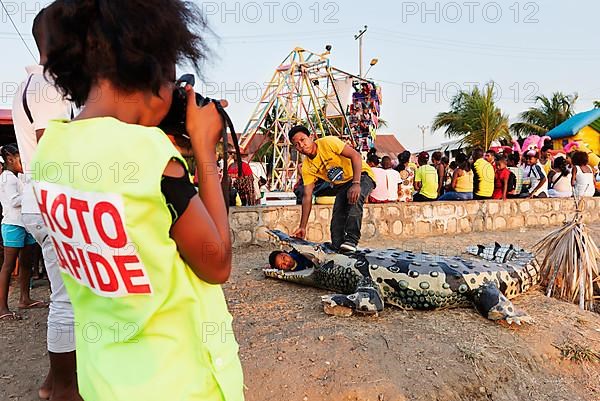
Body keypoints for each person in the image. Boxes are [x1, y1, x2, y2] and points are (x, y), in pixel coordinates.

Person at [34, 2, 244, 401]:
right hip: (179, 383)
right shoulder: (149, 154)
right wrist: (203, 149)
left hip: (104, 378)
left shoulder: (50, 151)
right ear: (152, 70)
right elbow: (217, 262)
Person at [10, 8, 78, 400]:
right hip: (53, 199)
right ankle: (65, 390)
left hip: (38, 201)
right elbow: (53, 146)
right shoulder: (51, 85)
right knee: (67, 299)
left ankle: (55, 382)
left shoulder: (27, 84)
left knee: (63, 295)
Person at [289, 125, 375, 253]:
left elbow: (355, 155)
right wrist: (302, 227)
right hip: (342, 184)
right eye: (296, 144)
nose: (301, 145)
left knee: (355, 198)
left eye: (303, 140)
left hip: (361, 175)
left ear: (311, 137)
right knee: (337, 217)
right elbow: (307, 196)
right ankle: (339, 246)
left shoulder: (328, 142)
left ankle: (351, 239)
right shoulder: (307, 167)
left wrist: (356, 183)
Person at [0, 145, 44, 321]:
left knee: (26, 264)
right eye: (20, 159)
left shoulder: (18, 177)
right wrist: (32, 192)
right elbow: (13, 201)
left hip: (25, 224)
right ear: (10, 158)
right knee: (8, 266)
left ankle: (24, 299)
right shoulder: (7, 178)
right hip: (13, 224)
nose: (23, 163)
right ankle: (2, 308)